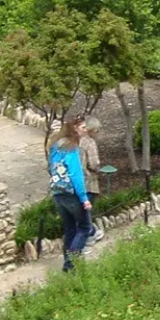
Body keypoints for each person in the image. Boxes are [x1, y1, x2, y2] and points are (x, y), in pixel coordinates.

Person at [47, 116, 94, 271]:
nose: (85, 130)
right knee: (85, 227)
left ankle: (68, 262)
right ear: (74, 128)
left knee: (69, 229)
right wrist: (84, 198)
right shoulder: (71, 148)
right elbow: (76, 174)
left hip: (58, 192)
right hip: (71, 193)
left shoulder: (55, 146)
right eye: (82, 127)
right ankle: (71, 263)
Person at [79, 116, 106, 242]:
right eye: (98, 130)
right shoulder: (89, 142)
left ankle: (88, 232)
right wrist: (98, 169)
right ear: (92, 130)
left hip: (76, 180)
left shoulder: (77, 140)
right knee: (87, 208)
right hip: (88, 180)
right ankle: (90, 234)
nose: (99, 133)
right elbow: (93, 163)